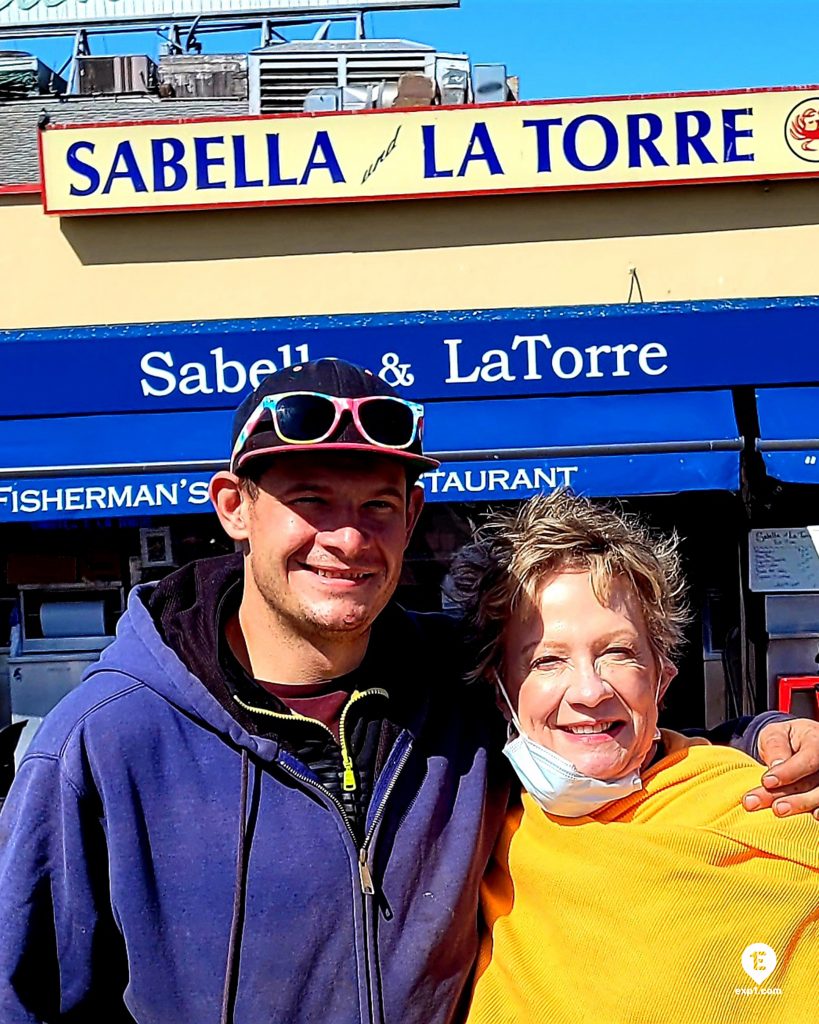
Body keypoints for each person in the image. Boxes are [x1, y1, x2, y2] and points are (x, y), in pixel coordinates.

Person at [0, 360, 817, 1024]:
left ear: (414, 513)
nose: (348, 538)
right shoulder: (104, 741)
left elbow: (607, 725)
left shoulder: (458, 682)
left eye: (377, 507)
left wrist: (766, 740)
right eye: (310, 502)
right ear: (233, 508)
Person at [447, 492, 818, 1024]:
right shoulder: (478, 831)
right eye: (547, 660)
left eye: (617, 653)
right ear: (501, 688)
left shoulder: (771, 805)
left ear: (661, 676)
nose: (589, 691)